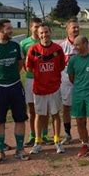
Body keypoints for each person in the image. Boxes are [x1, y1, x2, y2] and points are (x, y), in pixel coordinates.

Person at [0, 19, 29, 164]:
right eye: (8, 28)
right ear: (0, 30)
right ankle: (0, 151)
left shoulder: (15, 45)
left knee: (20, 118)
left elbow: (20, 64)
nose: (11, 30)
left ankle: (19, 150)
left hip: (15, 86)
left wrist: (12, 77)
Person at [26, 24, 66, 154]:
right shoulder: (33, 49)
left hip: (54, 88)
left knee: (55, 114)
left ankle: (57, 141)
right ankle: (38, 142)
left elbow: (61, 66)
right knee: (40, 115)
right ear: (38, 34)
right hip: (39, 89)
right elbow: (29, 68)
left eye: (46, 32)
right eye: (41, 33)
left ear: (50, 32)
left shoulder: (58, 49)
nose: (44, 35)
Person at [21, 18, 52, 146]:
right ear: (31, 28)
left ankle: (44, 134)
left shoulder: (46, 42)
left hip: (45, 80)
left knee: (46, 109)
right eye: (35, 26)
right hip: (31, 79)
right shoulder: (24, 43)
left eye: (40, 26)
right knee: (32, 109)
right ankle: (33, 135)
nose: (38, 28)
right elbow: (23, 62)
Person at [59, 18, 80, 145]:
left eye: (78, 27)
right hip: (66, 81)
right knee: (66, 107)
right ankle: (67, 134)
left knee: (82, 109)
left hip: (82, 82)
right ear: (67, 29)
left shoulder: (85, 44)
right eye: (74, 27)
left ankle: (83, 134)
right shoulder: (61, 47)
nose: (76, 29)